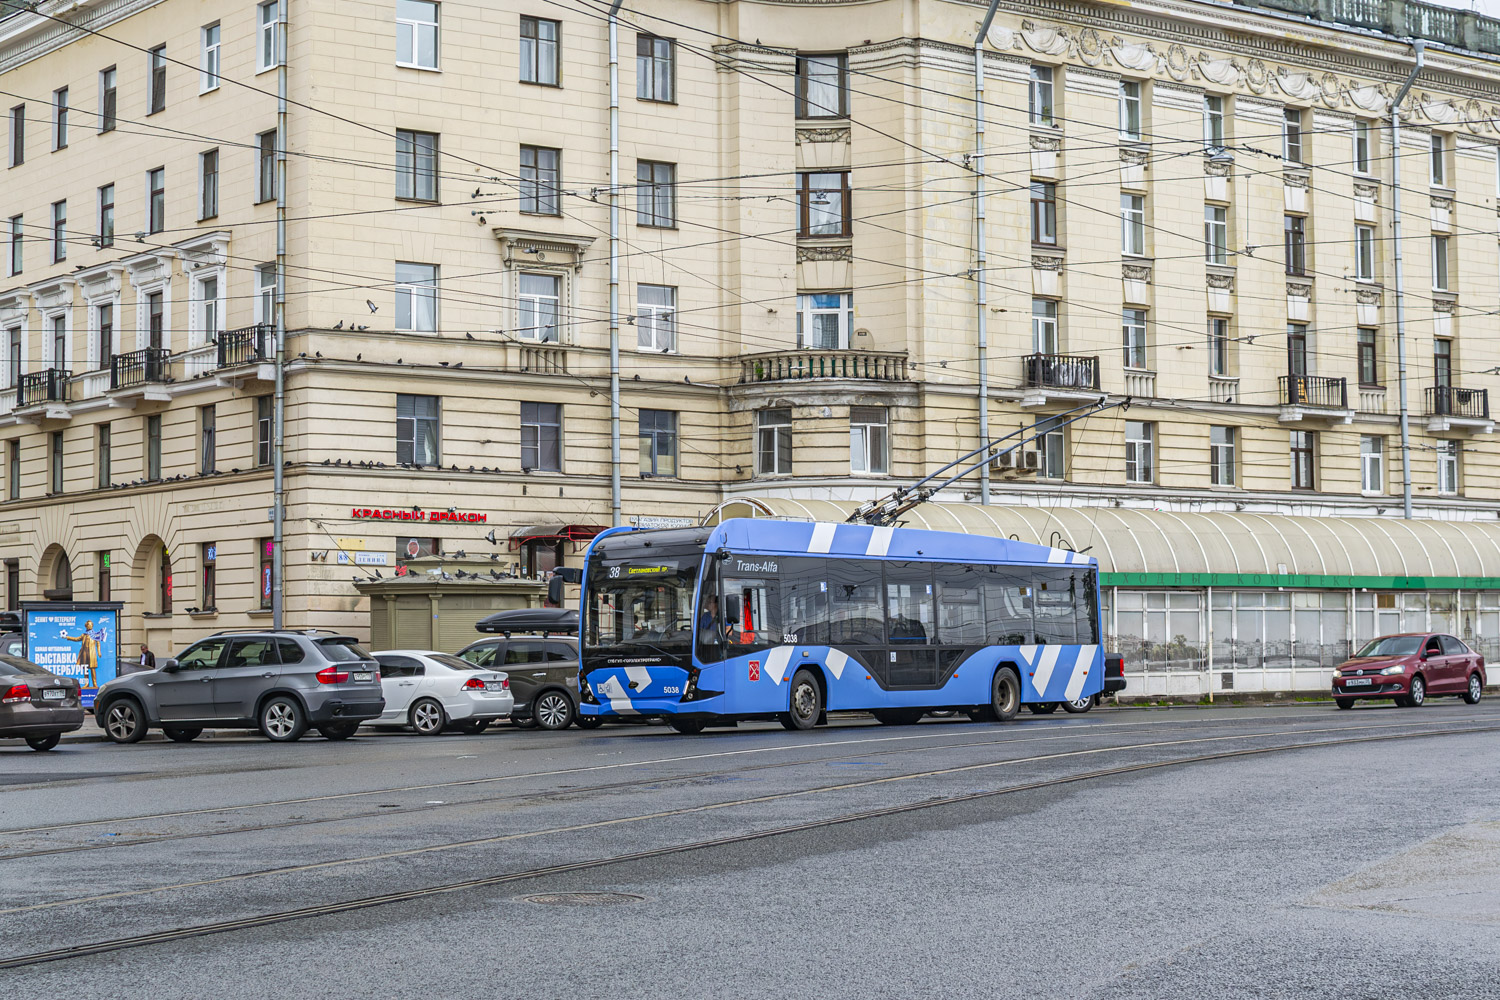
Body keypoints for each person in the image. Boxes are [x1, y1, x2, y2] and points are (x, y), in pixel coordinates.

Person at [61, 618, 106, 688]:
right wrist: (67, 637)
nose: (90, 626)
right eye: (88, 625)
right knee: (86, 669)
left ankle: (95, 684)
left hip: (92, 653)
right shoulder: (84, 635)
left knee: (92, 669)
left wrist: (99, 652)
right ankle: (86, 683)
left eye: (91, 625)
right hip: (85, 653)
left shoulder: (95, 635)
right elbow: (76, 639)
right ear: (86, 626)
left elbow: (98, 644)